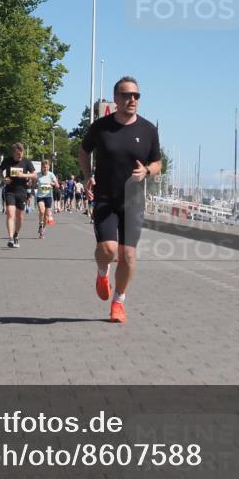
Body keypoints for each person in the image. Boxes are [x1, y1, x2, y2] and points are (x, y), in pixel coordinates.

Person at [79, 76, 161, 324]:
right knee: (108, 249)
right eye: (126, 95)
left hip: (133, 201)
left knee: (128, 256)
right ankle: (102, 272)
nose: (132, 99)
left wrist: (147, 171)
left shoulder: (148, 130)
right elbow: (84, 151)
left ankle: (118, 302)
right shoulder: (100, 127)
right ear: (116, 99)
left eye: (136, 95)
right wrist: (87, 177)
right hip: (105, 197)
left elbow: (158, 163)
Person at [0, 142, 36, 248]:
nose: (20, 156)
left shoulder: (26, 162)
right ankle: (10, 238)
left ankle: (16, 235)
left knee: (20, 216)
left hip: (22, 191)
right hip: (10, 190)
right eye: (18, 154)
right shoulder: (8, 161)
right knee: (10, 213)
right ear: (14, 153)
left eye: (22, 153)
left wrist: (24, 175)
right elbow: (0, 171)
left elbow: (34, 175)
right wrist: (3, 179)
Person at [35, 160, 59, 238]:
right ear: (41, 167)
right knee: (42, 211)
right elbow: (33, 182)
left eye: (47, 167)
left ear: (49, 167)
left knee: (46, 216)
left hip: (48, 196)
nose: (45, 168)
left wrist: (53, 183)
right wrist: (32, 189)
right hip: (40, 196)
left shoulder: (51, 175)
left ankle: (43, 229)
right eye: (44, 167)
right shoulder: (38, 175)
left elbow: (57, 185)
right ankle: (40, 224)